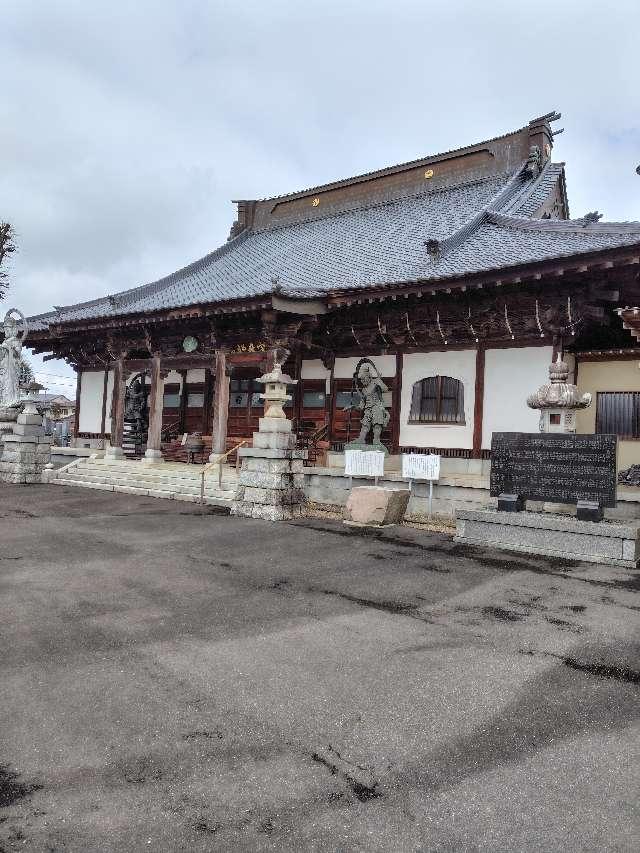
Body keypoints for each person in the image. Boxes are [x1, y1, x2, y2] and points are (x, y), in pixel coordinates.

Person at [344, 359, 390, 446]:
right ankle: (361, 439)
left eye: (364, 379)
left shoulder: (375, 382)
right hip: (367, 409)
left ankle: (376, 440)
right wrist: (352, 406)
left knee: (377, 423)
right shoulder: (364, 390)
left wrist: (379, 382)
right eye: (361, 380)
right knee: (365, 424)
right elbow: (361, 406)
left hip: (377, 406)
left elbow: (385, 389)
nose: (363, 381)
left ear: (369, 377)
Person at [0, 309, 28, 407]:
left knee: (10, 384)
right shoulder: (4, 342)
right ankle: (4, 402)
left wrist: (9, 349)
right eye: (5, 329)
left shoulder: (16, 341)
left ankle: (11, 401)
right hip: (4, 367)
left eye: (8, 329)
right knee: (3, 384)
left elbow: (18, 354)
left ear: (13, 329)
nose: (6, 331)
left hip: (12, 367)